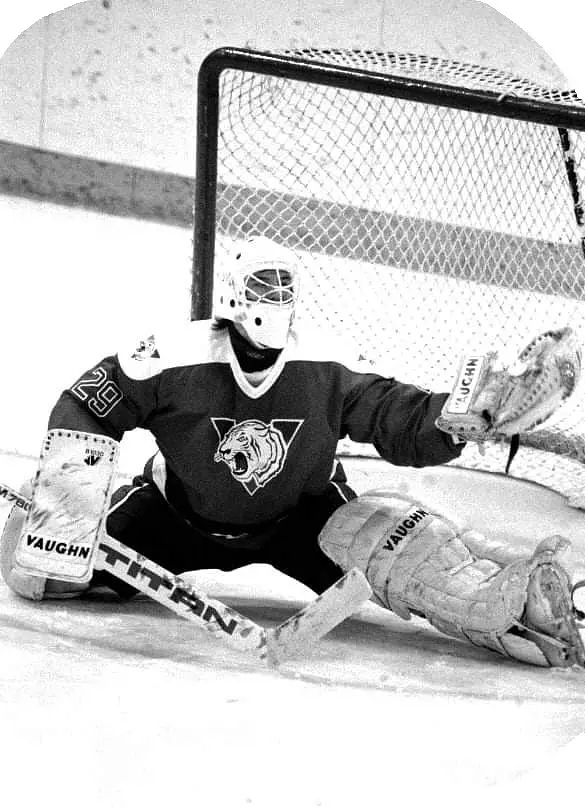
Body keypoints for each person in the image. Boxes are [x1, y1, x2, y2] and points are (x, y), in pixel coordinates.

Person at [1, 236, 583, 668]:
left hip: (302, 520)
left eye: (283, 289)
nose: (272, 301)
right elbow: (89, 405)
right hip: (170, 518)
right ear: (233, 298)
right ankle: (37, 536)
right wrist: (64, 507)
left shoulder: (324, 363)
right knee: (39, 575)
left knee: (407, 555)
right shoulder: (171, 355)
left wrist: (453, 419)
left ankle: (515, 599)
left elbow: (395, 418)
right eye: (262, 288)